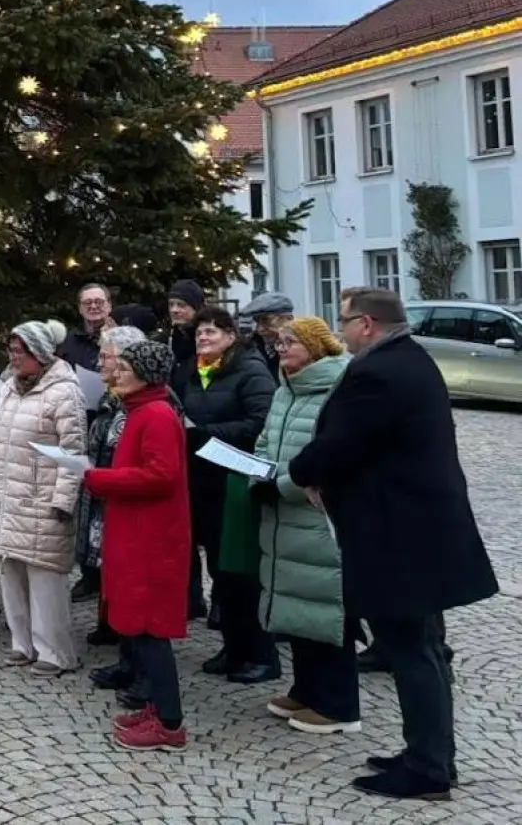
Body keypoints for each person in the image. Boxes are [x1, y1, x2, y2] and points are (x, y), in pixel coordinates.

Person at [288, 289, 497, 800]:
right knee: (420, 648)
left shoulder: (380, 371)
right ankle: (429, 754)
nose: (340, 333)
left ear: (367, 324)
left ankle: (428, 768)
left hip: (398, 534)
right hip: (414, 528)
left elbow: (340, 442)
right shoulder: (410, 359)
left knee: (411, 651)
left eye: (344, 323)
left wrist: (304, 472)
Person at [82, 341, 192, 752]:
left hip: (152, 536)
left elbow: (160, 476)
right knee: (138, 625)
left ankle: (170, 722)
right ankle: (155, 707)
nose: (114, 373)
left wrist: (99, 478)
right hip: (136, 529)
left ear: (146, 374)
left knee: (151, 630)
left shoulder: (158, 415)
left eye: (124, 367)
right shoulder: (141, 410)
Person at [250, 317, 358, 735]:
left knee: (325, 610)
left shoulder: (336, 388)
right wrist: (257, 473)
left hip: (314, 517)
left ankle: (339, 704)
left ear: (315, 347)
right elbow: (265, 440)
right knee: (296, 608)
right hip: (282, 512)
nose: (281, 347)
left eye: (290, 341)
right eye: (279, 341)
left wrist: (279, 483)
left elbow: (326, 458)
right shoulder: (285, 388)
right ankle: (307, 689)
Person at [0, 320, 87, 675]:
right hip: (8, 493)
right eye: (11, 351)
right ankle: (21, 643)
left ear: (39, 354)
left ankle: (54, 652)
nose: (13, 358)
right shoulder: (8, 387)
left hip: (42, 496)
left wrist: (63, 500)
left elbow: (73, 452)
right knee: (10, 572)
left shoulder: (64, 391)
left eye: (20, 352)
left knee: (45, 578)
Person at [181, 306, 278, 684]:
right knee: (220, 572)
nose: (203, 338)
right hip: (203, 482)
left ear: (230, 336)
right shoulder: (195, 372)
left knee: (243, 574)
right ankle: (233, 647)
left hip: (237, 482)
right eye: (199, 333)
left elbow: (260, 423)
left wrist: (203, 433)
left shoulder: (250, 370)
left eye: (211, 332)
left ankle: (261, 653)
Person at [71, 327, 155, 632]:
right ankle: (112, 626)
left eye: (106, 357)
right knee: (108, 567)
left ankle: (127, 636)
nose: (99, 364)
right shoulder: (113, 396)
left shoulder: (144, 405)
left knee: (126, 572)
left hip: (123, 498)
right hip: (104, 490)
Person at [159, 280, 204, 402]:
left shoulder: (205, 339)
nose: (174, 310)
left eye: (181, 305)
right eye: (171, 304)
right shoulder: (165, 339)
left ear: (196, 308)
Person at [55, 283, 112, 373]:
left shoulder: (125, 340)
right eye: (87, 302)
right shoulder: (66, 343)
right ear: (80, 309)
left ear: (109, 306)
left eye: (99, 302)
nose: (93, 306)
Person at [241, 292, 294, 380]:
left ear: (288, 319)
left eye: (266, 320)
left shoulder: (306, 347)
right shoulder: (248, 350)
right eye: (257, 321)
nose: (260, 329)